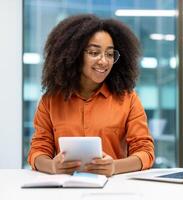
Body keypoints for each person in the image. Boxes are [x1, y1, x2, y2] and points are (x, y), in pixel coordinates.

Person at [28, 14, 155, 177]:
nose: (104, 61)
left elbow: (145, 152)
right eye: (94, 52)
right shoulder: (50, 101)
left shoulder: (128, 99)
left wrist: (114, 167)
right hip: (66, 189)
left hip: (113, 190)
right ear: (74, 54)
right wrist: (53, 166)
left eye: (110, 54)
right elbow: (38, 150)